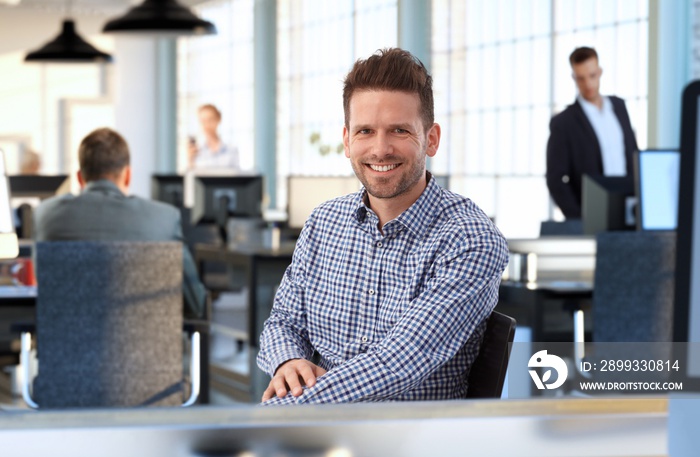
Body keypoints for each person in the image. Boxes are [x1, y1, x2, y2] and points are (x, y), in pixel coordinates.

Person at [256, 48, 508, 405]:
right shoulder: (323, 223)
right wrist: (288, 361)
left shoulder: (470, 240)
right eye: (365, 131)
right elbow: (283, 320)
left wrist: (280, 412)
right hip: (321, 433)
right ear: (347, 140)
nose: (380, 149)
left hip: (412, 439)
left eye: (399, 130)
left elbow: (399, 362)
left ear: (431, 139)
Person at [34, 127, 206, 318]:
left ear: (80, 178)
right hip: (148, 346)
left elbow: (40, 283)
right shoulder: (164, 219)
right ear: (127, 175)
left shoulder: (46, 215)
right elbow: (196, 303)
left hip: (65, 345)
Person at [546, 46, 638, 220]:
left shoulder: (619, 107)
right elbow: (555, 179)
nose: (588, 84)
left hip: (628, 210)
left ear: (600, 72)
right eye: (580, 78)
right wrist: (578, 218)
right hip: (590, 215)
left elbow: (633, 155)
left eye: (592, 76)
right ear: (574, 77)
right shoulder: (563, 123)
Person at [187, 104, 240, 170]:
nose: (206, 125)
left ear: (218, 119)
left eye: (210, 120)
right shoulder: (196, 151)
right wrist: (190, 160)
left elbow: (236, 177)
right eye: (203, 121)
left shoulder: (232, 150)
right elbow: (192, 177)